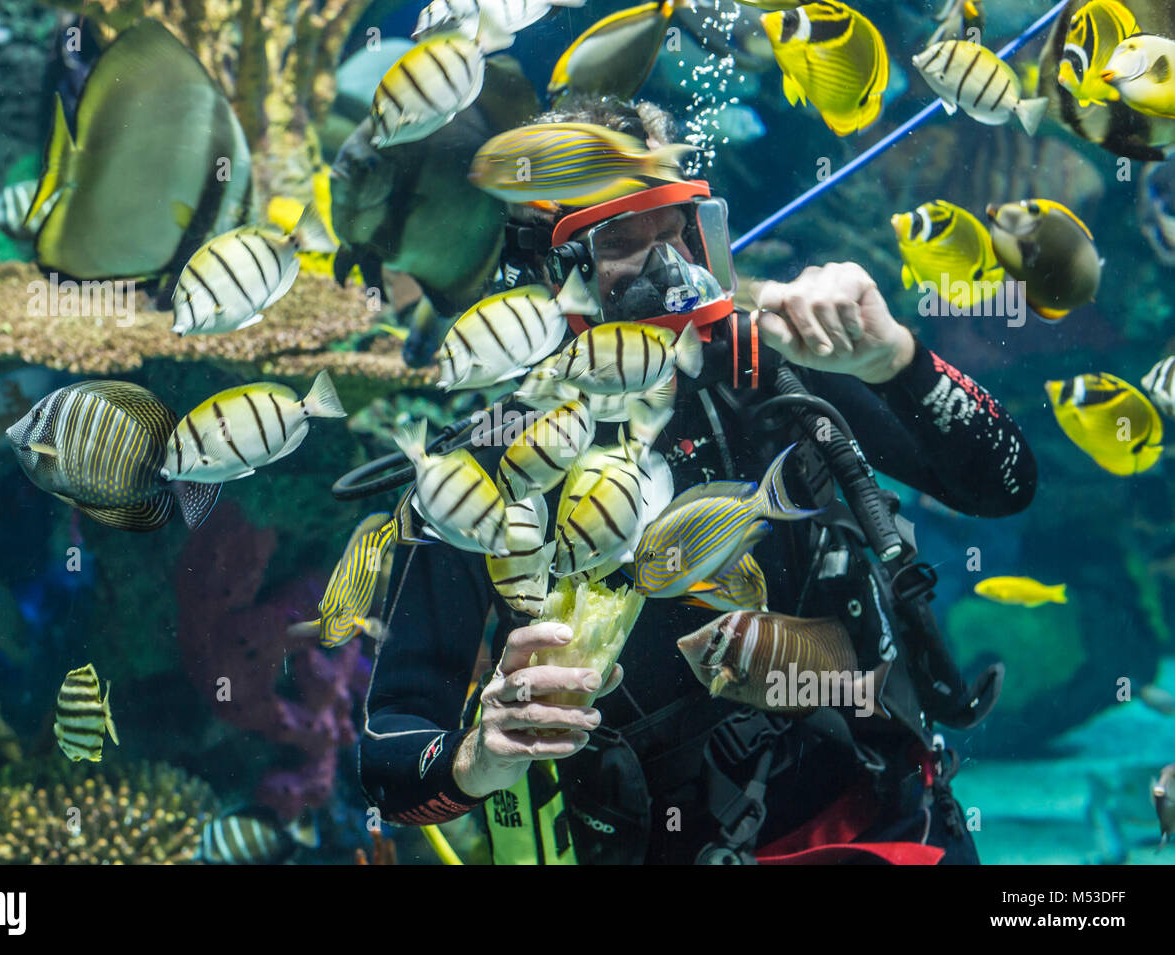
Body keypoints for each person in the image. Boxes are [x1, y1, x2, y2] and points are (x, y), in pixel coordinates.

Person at [357, 97, 1037, 864]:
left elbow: (1001, 484)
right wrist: (480, 758)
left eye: (681, 228)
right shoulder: (486, 473)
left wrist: (896, 363)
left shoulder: (768, 379)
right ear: (547, 266)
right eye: (620, 238)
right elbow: (388, 755)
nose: (669, 267)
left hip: (884, 824)